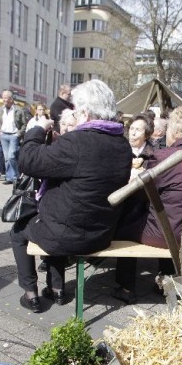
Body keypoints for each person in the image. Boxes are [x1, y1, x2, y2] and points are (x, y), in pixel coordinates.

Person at [10, 79, 131, 313]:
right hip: (101, 233)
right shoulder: (122, 144)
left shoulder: (77, 141)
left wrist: (37, 129)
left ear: (85, 113)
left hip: (69, 235)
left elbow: (27, 161)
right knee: (57, 216)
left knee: (18, 231)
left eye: (75, 112)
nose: (74, 116)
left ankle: (30, 294)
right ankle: (56, 289)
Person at [112, 106, 182, 304]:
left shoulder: (165, 157)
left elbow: (141, 195)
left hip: (165, 234)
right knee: (168, 214)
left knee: (124, 226)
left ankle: (126, 288)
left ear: (176, 131)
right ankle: (166, 280)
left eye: (168, 129)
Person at [0, 90, 26, 184]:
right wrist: (0, 130)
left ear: (11, 99)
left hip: (14, 135)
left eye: (5, 98)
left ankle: (16, 176)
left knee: (11, 156)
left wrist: (18, 134)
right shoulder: (1, 109)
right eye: (3, 97)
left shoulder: (18, 110)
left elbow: (24, 124)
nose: (4, 100)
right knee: (6, 158)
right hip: (4, 135)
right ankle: (10, 178)